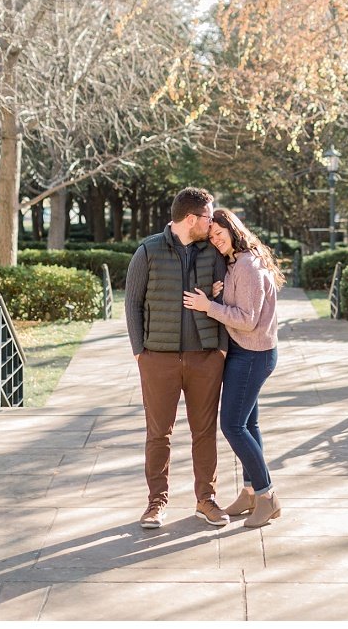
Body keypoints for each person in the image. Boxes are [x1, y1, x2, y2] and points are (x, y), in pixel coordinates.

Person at [124, 187, 230, 529]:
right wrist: (140, 352)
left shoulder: (211, 253)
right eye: (208, 217)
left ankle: (206, 499)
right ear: (191, 219)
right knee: (159, 433)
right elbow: (132, 304)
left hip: (205, 358)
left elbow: (226, 300)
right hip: (158, 359)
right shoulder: (148, 250)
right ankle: (156, 503)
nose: (211, 222)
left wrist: (222, 348)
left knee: (205, 431)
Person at [182, 208, 284, 528]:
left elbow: (247, 319)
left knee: (233, 426)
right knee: (249, 425)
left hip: (254, 355)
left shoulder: (249, 266)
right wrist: (221, 294)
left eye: (219, 232)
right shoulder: (237, 262)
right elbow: (240, 304)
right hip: (245, 351)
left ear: (233, 228)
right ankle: (252, 491)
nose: (215, 239)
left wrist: (208, 306)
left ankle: (268, 497)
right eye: (212, 236)